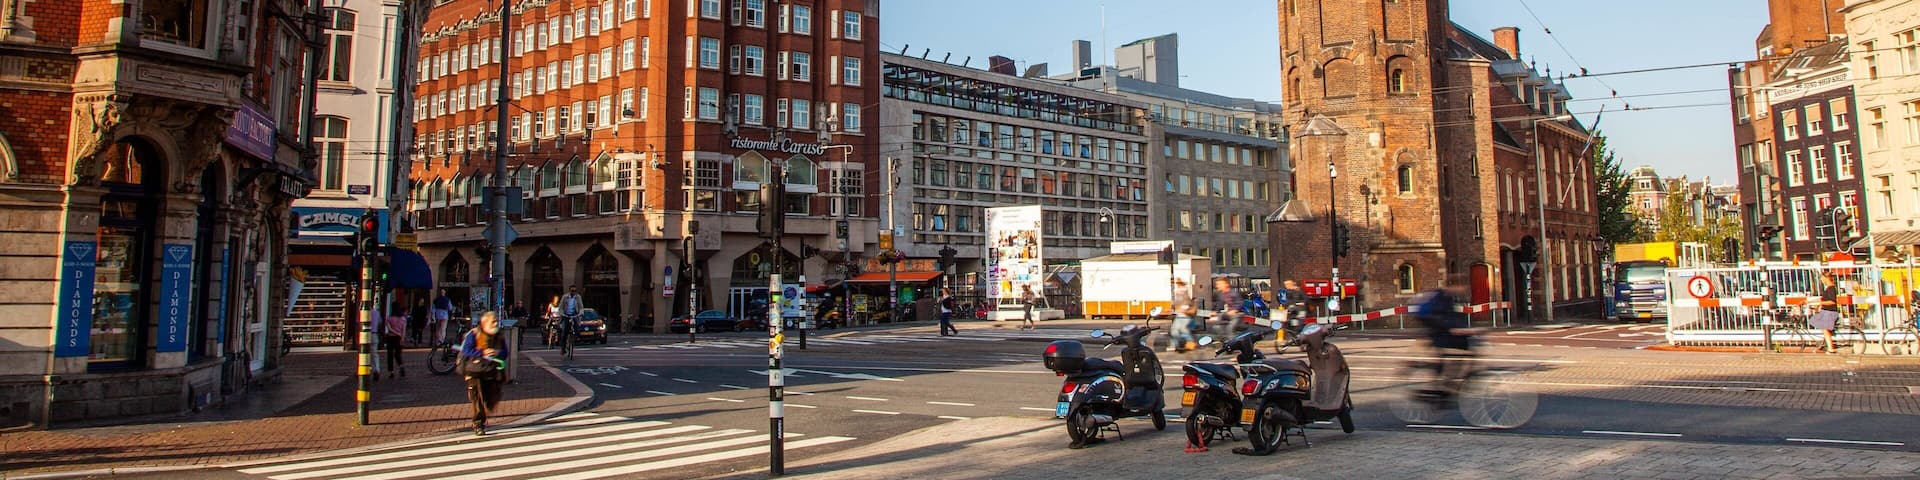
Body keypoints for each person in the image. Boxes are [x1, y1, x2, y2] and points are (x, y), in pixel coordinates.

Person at [1414, 276, 1477, 394]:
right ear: (1454, 286)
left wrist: (1467, 329)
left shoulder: (1449, 298)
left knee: (1463, 349)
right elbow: (1438, 317)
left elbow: (1453, 317)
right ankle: (1438, 386)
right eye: (1462, 286)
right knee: (1444, 355)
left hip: (1443, 330)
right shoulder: (1440, 297)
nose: (1464, 289)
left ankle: (1449, 382)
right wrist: (1452, 329)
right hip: (1436, 331)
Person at [461, 312, 510, 435]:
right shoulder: (474, 334)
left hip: (491, 371)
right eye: (492, 321)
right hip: (475, 370)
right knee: (478, 398)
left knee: (491, 398)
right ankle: (478, 424)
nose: (495, 324)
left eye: (496, 321)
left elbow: (505, 352)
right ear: (484, 323)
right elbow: (466, 350)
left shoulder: (499, 336)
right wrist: (482, 353)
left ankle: (484, 412)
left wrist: (496, 352)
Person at [1813, 272, 1843, 354]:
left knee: (1825, 329)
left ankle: (1831, 348)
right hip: (1827, 312)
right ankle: (1826, 346)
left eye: (1822, 278)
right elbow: (1822, 299)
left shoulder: (1831, 288)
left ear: (1827, 278)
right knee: (1825, 329)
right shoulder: (1828, 288)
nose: (1822, 280)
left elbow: (1832, 301)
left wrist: (1821, 304)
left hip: (1830, 312)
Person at [1168, 278, 1194, 352]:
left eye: (1178, 284)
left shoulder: (1183, 292)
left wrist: (1181, 309)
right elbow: (1178, 304)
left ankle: (1189, 342)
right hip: (1180, 314)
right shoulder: (1179, 292)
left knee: (1182, 329)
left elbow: (1187, 304)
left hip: (1184, 315)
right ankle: (1175, 345)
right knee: (1175, 330)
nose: (1177, 285)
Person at [382, 303, 408, 378]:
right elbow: (403, 330)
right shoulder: (403, 319)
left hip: (391, 337)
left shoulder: (389, 318)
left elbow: (389, 328)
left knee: (390, 355)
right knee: (398, 354)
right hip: (398, 338)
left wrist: (395, 332)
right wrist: (402, 338)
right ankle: (401, 365)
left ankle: (391, 372)